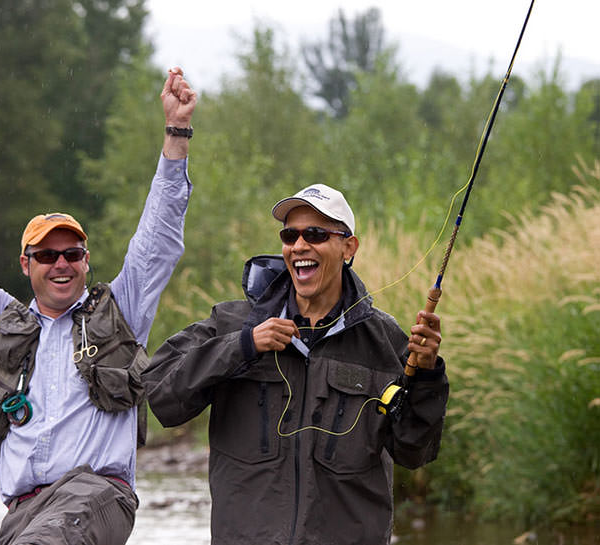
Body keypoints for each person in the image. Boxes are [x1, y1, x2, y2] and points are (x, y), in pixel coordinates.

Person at [0, 67, 197, 545]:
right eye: (47, 255)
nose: (60, 264)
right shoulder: (1, 325)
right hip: (23, 511)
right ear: (26, 265)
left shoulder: (121, 313)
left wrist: (177, 133)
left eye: (72, 254)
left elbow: (159, 237)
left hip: (97, 497)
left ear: (86, 261)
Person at [141, 183, 449, 545]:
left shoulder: (385, 342)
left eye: (315, 234)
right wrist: (243, 345)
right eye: (290, 235)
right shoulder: (233, 324)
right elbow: (161, 393)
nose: (299, 246)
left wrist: (427, 374)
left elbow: (414, 451)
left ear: (349, 247)